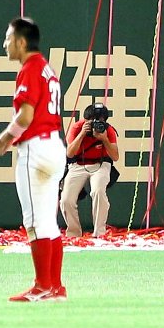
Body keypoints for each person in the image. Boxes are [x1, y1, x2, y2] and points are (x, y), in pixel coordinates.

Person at [0, 15, 68, 302]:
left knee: (35, 222)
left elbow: (26, 115)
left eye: (8, 39)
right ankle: (55, 286)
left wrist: (4, 139)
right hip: (55, 146)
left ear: (20, 42)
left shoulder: (30, 68)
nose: (4, 44)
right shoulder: (47, 69)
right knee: (49, 222)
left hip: (36, 150)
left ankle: (43, 286)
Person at [59, 101, 119, 240]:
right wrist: (81, 134)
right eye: (92, 121)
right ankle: (74, 233)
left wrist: (104, 139)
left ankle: (99, 233)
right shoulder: (77, 127)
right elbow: (69, 153)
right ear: (86, 120)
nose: (96, 124)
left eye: (100, 120)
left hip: (101, 164)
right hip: (78, 165)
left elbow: (115, 156)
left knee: (98, 191)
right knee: (66, 198)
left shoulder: (107, 130)